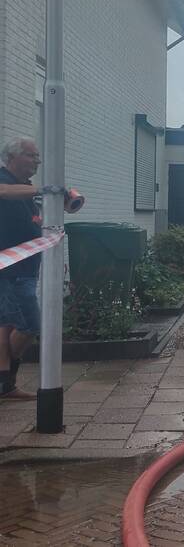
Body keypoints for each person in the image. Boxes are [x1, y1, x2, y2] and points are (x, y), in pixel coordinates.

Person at [0, 138, 75, 400]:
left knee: (8, 324)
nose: (38, 161)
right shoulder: (6, 181)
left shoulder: (27, 188)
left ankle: (6, 385)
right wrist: (43, 190)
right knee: (29, 324)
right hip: (10, 269)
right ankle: (5, 380)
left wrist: (59, 200)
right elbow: (4, 191)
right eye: (32, 156)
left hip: (26, 267)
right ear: (13, 157)